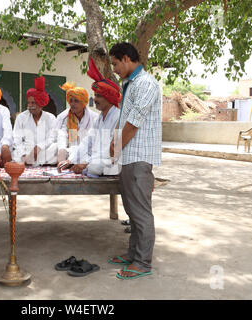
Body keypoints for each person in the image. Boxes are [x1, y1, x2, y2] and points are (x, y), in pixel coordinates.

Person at [108, 42, 162, 280]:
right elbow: (125, 118)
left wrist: (117, 145)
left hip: (139, 158)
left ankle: (142, 262)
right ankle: (133, 253)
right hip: (129, 157)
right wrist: (115, 143)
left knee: (140, 212)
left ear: (127, 59)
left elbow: (134, 122)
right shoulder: (130, 84)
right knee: (132, 210)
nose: (115, 69)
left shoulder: (146, 84)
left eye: (116, 63)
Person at [57, 58, 122, 176]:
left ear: (109, 98)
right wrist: (70, 160)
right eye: (95, 95)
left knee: (95, 166)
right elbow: (88, 141)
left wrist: (86, 164)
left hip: (111, 162)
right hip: (96, 159)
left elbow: (111, 150)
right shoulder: (99, 118)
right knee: (84, 161)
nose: (95, 100)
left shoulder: (118, 117)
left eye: (98, 96)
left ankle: (87, 168)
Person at [12, 76, 57, 165]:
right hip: (26, 151)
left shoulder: (50, 118)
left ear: (41, 104)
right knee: (13, 152)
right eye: (28, 103)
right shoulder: (21, 117)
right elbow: (16, 139)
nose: (30, 105)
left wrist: (38, 148)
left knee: (56, 147)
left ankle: (36, 162)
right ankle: (28, 161)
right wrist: (23, 154)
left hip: (43, 151)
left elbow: (52, 138)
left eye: (33, 103)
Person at [56, 82, 98, 164]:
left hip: (87, 152)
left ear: (83, 103)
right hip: (69, 151)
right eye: (71, 101)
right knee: (53, 150)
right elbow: (62, 134)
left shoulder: (95, 118)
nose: (72, 104)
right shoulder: (64, 117)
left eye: (76, 101)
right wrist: (61, 150)